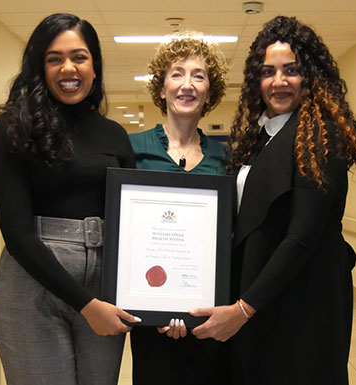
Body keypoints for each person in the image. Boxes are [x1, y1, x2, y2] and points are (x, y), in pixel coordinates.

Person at [190, 16, 356, 384]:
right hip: (262, 298)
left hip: (302, 304)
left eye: (291, 70)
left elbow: (300, 237)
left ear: (311, 76)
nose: (279, 81)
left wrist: (242, 309)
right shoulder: (262, 136)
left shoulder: (319, 136)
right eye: (268, 72)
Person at [0, 13, 140, 385]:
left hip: (104, 287)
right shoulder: (13, 128)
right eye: (55, 58)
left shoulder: (114, 134)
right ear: (40, 66)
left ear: (95, 65)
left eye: (79, 57)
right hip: (31, 290)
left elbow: (133, 220)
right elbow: (17, 232)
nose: (68, 68)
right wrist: (86, 305)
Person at [127, 34, 230, 385]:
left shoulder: (227, 160)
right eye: (176, 74)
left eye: (198, 76)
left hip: (209, 319)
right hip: (148, 317)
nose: (187, 85)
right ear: (161, 87)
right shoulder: (132, 150)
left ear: (209, 91)